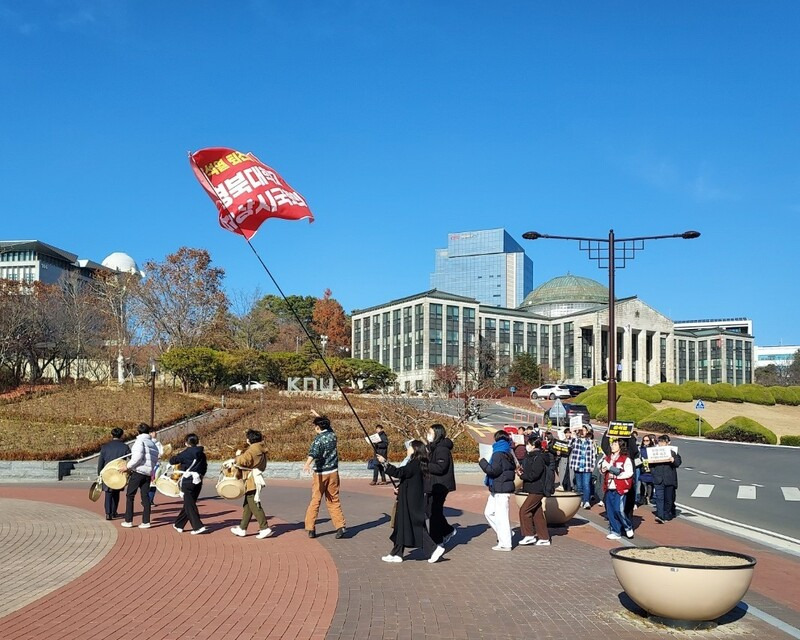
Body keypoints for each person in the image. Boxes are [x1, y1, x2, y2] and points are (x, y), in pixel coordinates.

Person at [377, 441, 445, 563]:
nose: (407, 449)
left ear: (415, 449)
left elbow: (399, 472)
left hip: (411, 501)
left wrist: (384, 462)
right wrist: (400, 488)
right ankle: (397, 553)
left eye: (409, 447)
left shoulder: (414, 464)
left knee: (415, 526)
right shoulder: (416, 463)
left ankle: (434, 549)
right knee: (401, 525)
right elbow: (407, 479)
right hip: (408, 498)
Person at [303, 415, 346, 539]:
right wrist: (317, 415)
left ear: (317, 427)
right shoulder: (332, 435)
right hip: (333, 473)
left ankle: (310, 527)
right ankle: (340, 526)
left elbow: (313, 453)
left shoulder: (318, 439)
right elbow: (327, 426)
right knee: (333, 499)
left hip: (321, 474)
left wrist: (307, 464)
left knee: (315, 500)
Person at [228, 429, 273, 539]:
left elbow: (244, 461)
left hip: (251, 479)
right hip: (255, 477)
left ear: (249, 439)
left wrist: (237, 457)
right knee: (248, 505)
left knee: (254, 503)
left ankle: (264, 528)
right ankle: (242, 528)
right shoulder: (260, 448)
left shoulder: (253, 449)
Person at [479, 430, 517, 551]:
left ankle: (505, 543)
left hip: (500, 489)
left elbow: (493, 471)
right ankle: (506, 534)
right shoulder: (508, 452)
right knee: (489, 512)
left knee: (501, 517)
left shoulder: (497, 453)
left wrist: (482, 462)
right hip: (499, 488)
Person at [122, 423, 159, 529]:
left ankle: (128, 520)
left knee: (130, 495)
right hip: (148, 473)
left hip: (138, 472)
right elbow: (155, 458)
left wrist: (127, 466)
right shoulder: (153, 444)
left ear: (138, 432)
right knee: (145, 497)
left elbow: (137, 457)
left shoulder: (139, 441)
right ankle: (146, 521)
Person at [170, 433, 208, 535]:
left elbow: (172, 461)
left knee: (189, 505)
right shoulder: (202, 453)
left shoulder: (185, 453)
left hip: (187, 481)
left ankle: (198, 526)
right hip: (198, 480)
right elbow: (204, 467)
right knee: (189, 503)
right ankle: (179, 524)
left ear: (186, 443)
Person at [426, 424, 457, 546]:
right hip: (434, 484)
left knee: (434, 512)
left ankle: (437, 540)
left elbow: (441, 468)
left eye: (430, 433)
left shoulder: (442, 449)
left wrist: (424, 465)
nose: (428, 435)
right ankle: (447, 530)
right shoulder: (433, 447)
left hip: (441, 484)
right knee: (433, 511)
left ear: (437, 434)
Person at [518, 438, 551, 546]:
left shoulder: (539, 458)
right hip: (533, 488)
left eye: (528, 444)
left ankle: (529, 535)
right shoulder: (530, 456)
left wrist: (523, 476)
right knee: (537, 513)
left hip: (537, 489)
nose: (526, 446)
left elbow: (534, 474)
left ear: (533, 445)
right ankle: (544, 537)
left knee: (524, 511)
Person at [599, 439, 635, 540]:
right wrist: (603, 469)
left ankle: (628, 526)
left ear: (620, 446)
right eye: (612, 444)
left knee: (618, 509)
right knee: (610, 511)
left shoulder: (625, 459)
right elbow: (602, 470)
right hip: (609, 487)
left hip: (620, 487)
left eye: (615, 444)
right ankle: (615, 531)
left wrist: (617, 476)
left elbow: (629, 473)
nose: (612, 446)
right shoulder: (607, 458)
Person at [97, 427, 130, 520]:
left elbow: (101, 462)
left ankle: (108, 513)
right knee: (116, 492)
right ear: (122, 435)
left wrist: (99, 473)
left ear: (112, 435)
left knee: (108, 493)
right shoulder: (125, 447)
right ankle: (114, 511)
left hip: (107, 472)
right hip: (119, 472)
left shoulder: (105, 447)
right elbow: (131, 458)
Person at [650, 434, 682, 523]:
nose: (661, 444)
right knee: (659, 498)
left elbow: (678, 463)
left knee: (668, 499)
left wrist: (673, 460)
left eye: (663, 442)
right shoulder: (654, 452)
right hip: (658, 479)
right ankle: (660, 515)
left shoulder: (673, 452)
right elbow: (650, 465)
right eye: (660, 442)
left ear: (668, 443)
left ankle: (666, 514)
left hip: (669, 479)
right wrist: (654, 473)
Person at [568, 427, 596, 509]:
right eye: (581, 430)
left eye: (584, 430)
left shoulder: (590, 442)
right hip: (577, 465)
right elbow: (568, 445)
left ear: (587, 432)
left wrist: (593, 465)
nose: (582, 432)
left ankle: (586, 501)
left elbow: (593, 454)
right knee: (579, 485)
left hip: (587, 466)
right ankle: (581, 500)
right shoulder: (576, 440)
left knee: (586, 484)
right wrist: (573, 435)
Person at [637, 434, 656, 506]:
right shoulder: (640, 449)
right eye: (644, 440)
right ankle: (642, 497)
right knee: (643, 483)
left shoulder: (653, 449)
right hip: (643, 468)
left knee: (650, 484)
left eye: (647, 440)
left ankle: (648, 497)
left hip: (651, 468)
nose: (645, 442)